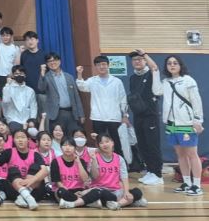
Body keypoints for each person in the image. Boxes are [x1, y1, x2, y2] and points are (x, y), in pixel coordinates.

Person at [151, 54, 203, 196]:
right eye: (169, 63)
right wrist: (155, 73)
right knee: (180, 155)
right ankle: (187, 183)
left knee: (192, 154)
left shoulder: (188, 80)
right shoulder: (166, 81)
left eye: (175, 63)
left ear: (180, 65)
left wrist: (198, 120)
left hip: (187, 123)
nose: (172, 65)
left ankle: (197, 185)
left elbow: (196, 100)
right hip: (171, 123)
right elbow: (156, 91)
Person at [76, 56, 130, 158]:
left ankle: (119, 163)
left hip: (114, 118)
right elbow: (82, 87)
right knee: (100, 143)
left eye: (104, 64)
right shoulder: (92, 80)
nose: (101, 67)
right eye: (98, 65)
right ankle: (102, 163)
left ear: (108, 65)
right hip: (98, 117)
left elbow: (123, 99)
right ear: (95, 67)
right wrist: (79, 74)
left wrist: (125, 115)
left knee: (116, 143)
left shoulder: (117, 81)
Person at [126, 49, 164, 185]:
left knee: (152, 144)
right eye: (134, 60)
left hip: (150, 115)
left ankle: (158, 174)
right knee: (142, 145)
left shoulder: (151, 73)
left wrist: (145, 54)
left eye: (139, 59)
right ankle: (150, 171)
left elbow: (155, 67)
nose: (137, 61)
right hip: (138, 115)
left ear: (144, 61)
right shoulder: (132, 78)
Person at [0, 128, 48, 210]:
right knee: (8, 174)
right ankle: (27, 196)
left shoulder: (35, 154)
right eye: (17, 138)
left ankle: (22, 196)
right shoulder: (9, 152)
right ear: (14, 140)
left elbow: (45, 171)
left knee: (37, 168)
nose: (20, 140)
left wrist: (31, 180)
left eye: (23, 137)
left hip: (32, 187)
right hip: (15, 187)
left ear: (28, 140)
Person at [88, 133, 147, 209]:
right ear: (98, 146)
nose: (105, 144)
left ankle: (117, 204)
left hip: (116, 190)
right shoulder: (94, 158)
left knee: (137, 191)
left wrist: (126, 192)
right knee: (103, 195)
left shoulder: (119, 158)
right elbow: (94, 176)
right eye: (101, 143)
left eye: (107, 141)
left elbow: (124, 177)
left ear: (112, 143)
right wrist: (94, 160)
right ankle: (129, 202)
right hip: (102, 190)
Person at [38, 52, 85, 134]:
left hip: (72, 113)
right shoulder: (47, 77)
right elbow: (41, 88)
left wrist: (81, 114)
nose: (52, 63)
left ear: (59, 61)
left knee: (72, 137)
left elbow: (76, 96)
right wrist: (42, 74)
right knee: (58, 138)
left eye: (55, 60)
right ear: (47, 64)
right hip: (56, 114)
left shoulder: (69, 77)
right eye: (49, 61)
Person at [2, 65, 37, 132]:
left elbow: (33, 107)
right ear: (13, 76)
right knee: (17, 132)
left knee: (33, 133)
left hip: (27, 120)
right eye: (16, 74)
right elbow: (5, 101)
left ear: (25, 75)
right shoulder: (8, 88)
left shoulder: (30, 90)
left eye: (21, 73)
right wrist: (7, 85)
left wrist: (32, 120)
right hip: (13, 120)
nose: (19, 75)